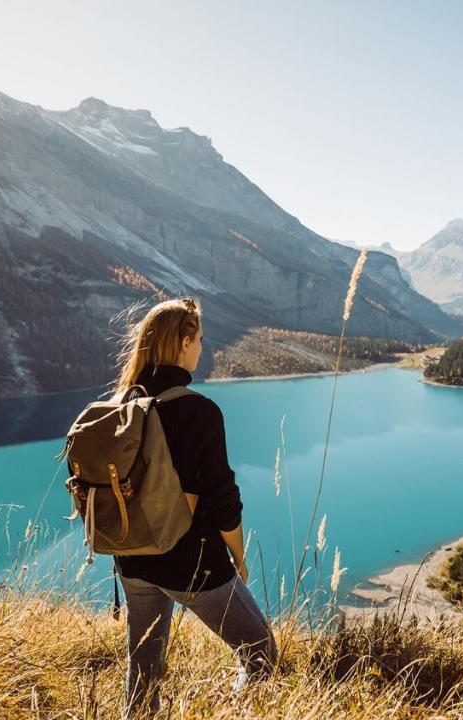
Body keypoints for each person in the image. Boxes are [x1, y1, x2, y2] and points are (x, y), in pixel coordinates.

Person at [106, 297, 277, 717]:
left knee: (143, 672)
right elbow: (222, 498)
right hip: (191, 563)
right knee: (261, 655)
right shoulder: (198, 411)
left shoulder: (120, 406)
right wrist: (237, 554)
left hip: (131, 560)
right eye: (199, 339)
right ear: (183, 343)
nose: (203, 347)